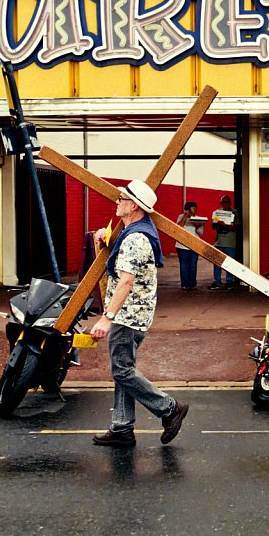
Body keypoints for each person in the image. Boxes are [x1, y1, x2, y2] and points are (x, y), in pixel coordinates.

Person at [90, 180, 189, 447]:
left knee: (122, 371)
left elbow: (126, 281)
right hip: (134, 314)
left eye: (122, 198)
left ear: (133, 206)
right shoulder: (135, 231)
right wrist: (104, 238)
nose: (117, 201)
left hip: (127, 316)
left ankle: (169, 408)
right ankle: (122, 428)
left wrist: (106, 318)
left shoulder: (135, 238)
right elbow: (119, 252)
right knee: (125, 369)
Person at [209, 194, 238, 289]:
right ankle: (217, 281)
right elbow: (213, 226)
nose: (226, 204)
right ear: (221, 203)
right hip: (219, 241)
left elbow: (235, 227)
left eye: (228, 202)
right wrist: (217, 223)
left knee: (229, 263)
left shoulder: (234, 212)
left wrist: (224, 225)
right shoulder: (217, 212)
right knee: (217, 262)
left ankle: (229, 281)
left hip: (230, 242)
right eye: (224, 202)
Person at [175, 201, 203, 290]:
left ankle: (192, 284)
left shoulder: (199, 218)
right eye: (192, 208)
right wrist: (185, 216)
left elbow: (201, 233)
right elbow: (178, 228)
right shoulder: (181, 217)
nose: (195, 209)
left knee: (193, 265)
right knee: (184, 265)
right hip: (182, 246)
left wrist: (195, 224)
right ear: (187, 209)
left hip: (195, 246)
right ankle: (184, 284)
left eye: (195, 208)